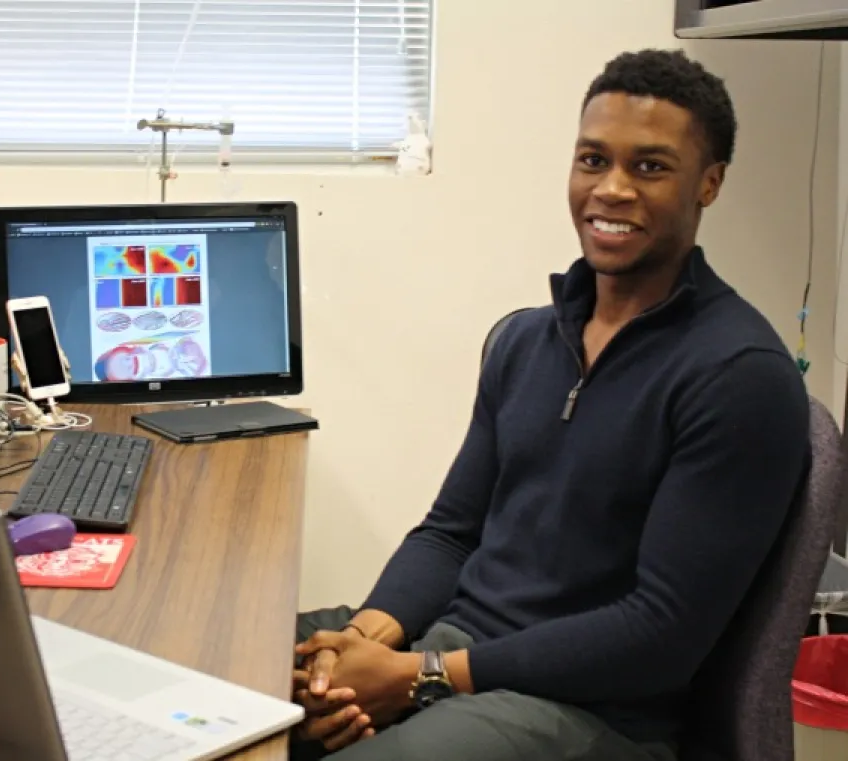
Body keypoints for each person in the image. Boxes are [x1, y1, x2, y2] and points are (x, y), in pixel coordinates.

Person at [290, 49, 812, 761]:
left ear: (709, 184)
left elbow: (659, 633)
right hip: (454, 654)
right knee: (214, 669)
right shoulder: (530, 338)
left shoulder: (738, 375)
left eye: (650, 167)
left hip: (592, 710)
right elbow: (450, 531)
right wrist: (364, 643)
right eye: (593, 160)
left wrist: (419, 678)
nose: (613, 189)